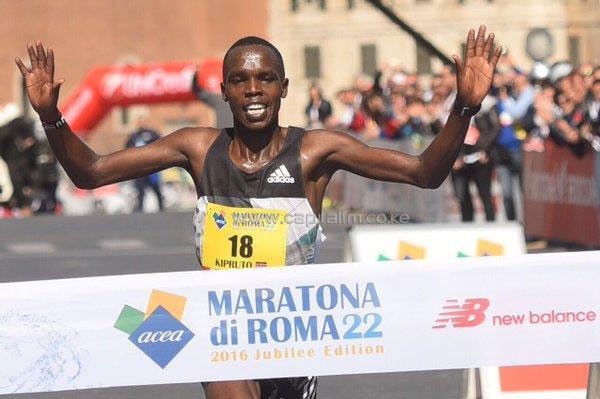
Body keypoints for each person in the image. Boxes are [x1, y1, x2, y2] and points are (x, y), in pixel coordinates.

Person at [16, 25, 501, 399]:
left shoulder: (315, 152)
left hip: (289, 332)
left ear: (284, 88)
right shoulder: (197, 147)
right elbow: (92, 172)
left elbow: (423, 172)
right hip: (222, 326)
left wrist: (464, 106)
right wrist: (52, 117)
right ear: (223, 90)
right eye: (240, 80)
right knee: (218, 370)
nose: (253, 90)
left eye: (265, 79)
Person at [125, 126, 164, 212]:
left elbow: (162, 144)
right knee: (140, 190)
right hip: (138, 168)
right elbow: (127, 147)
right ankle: (140, 207)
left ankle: (161, 206)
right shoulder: (134, 136)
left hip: (152, 167)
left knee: (156, 187)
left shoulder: (151, 134)